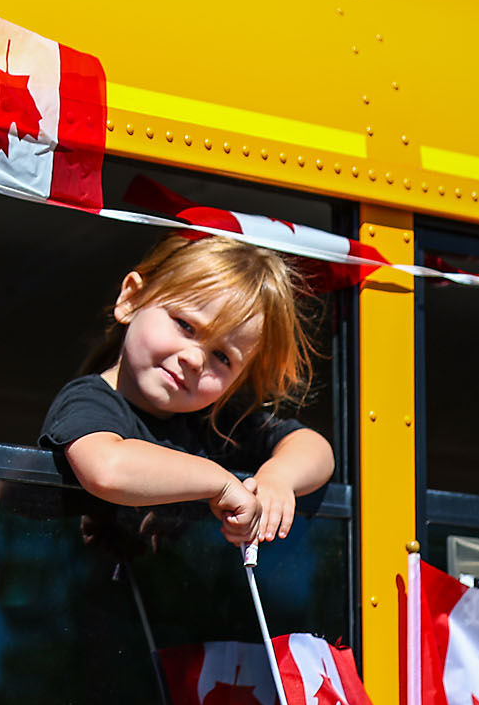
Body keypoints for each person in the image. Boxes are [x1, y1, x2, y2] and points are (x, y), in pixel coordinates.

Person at [39, 232, 335, 548]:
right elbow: (107, 468)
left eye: (222, 357)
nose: (194, 360)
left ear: (236, 381)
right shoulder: (89, 400)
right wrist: (221, 482)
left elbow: (314, 448)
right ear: (131, 299)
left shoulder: (213, 425)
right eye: (185, 325)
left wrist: (277, 478)